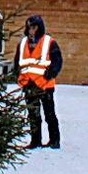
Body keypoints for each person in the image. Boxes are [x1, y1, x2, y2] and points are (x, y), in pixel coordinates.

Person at [16, 14, 65, 151]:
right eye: (29, 27)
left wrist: (50, 74)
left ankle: (54, 140)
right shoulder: (23, 43)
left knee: (50, 114)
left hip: (45, 84)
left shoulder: (49, 42)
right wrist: (18, 77)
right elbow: (17, 62)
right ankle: (35, 140)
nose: (31, 30)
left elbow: (57, 61)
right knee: (33, 115)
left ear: (39, 27)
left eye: (34, 27)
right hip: (28, 84)